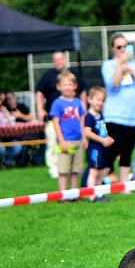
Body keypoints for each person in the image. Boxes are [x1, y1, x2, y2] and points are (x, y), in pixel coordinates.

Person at [102, 32, 135, 182]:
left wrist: (132, 71)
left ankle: (124, 185)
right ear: (113, 48)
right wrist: (120, 65)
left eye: (125, 46)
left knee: (127, 151)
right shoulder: (108, 65)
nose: (123, 49)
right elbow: (114, 84)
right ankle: (98, 180)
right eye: (119, 46)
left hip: (134, 116)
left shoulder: (134, 66)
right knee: (113, 150)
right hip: (115, 115)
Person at [37, 51, 87, 180]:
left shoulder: (73, 74)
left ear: (64, 59)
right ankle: (54, 168)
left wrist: (84, 107)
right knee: (53, 143)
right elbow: (39, 93)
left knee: (75, 146)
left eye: (61, 59)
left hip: (72, 120)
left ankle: (73, 169)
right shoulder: (48, 76)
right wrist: (40, 109)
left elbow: (83, 90)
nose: (59, 61)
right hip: (54, 117)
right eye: (56, 59)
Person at [48, 71, 86, 199]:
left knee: (76, 170)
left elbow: (82, 120)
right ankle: (63, 195)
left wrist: (84, 138)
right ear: (59, 87)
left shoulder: (78, 102)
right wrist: (61, 140)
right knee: (64, 169)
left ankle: (74, 193)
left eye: (70, 84)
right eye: (64, 84)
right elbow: (56, 123)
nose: (67, 87)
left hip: (78, 140)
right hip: (66, 140)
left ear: (75, 86)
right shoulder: (58, 103)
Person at [83, 85, 115, 202]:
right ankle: (91, 196)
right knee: (94, 172)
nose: (100, 103)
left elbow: (102, 131)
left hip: (103, 148)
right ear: (90, 99)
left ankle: (99, 194)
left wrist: (108, 138)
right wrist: (102, 140)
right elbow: (87, 132)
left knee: (101, 172)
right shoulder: (89, 116)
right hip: (94, 148)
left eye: (103, 100)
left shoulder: (100, 116)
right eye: (98, 99)